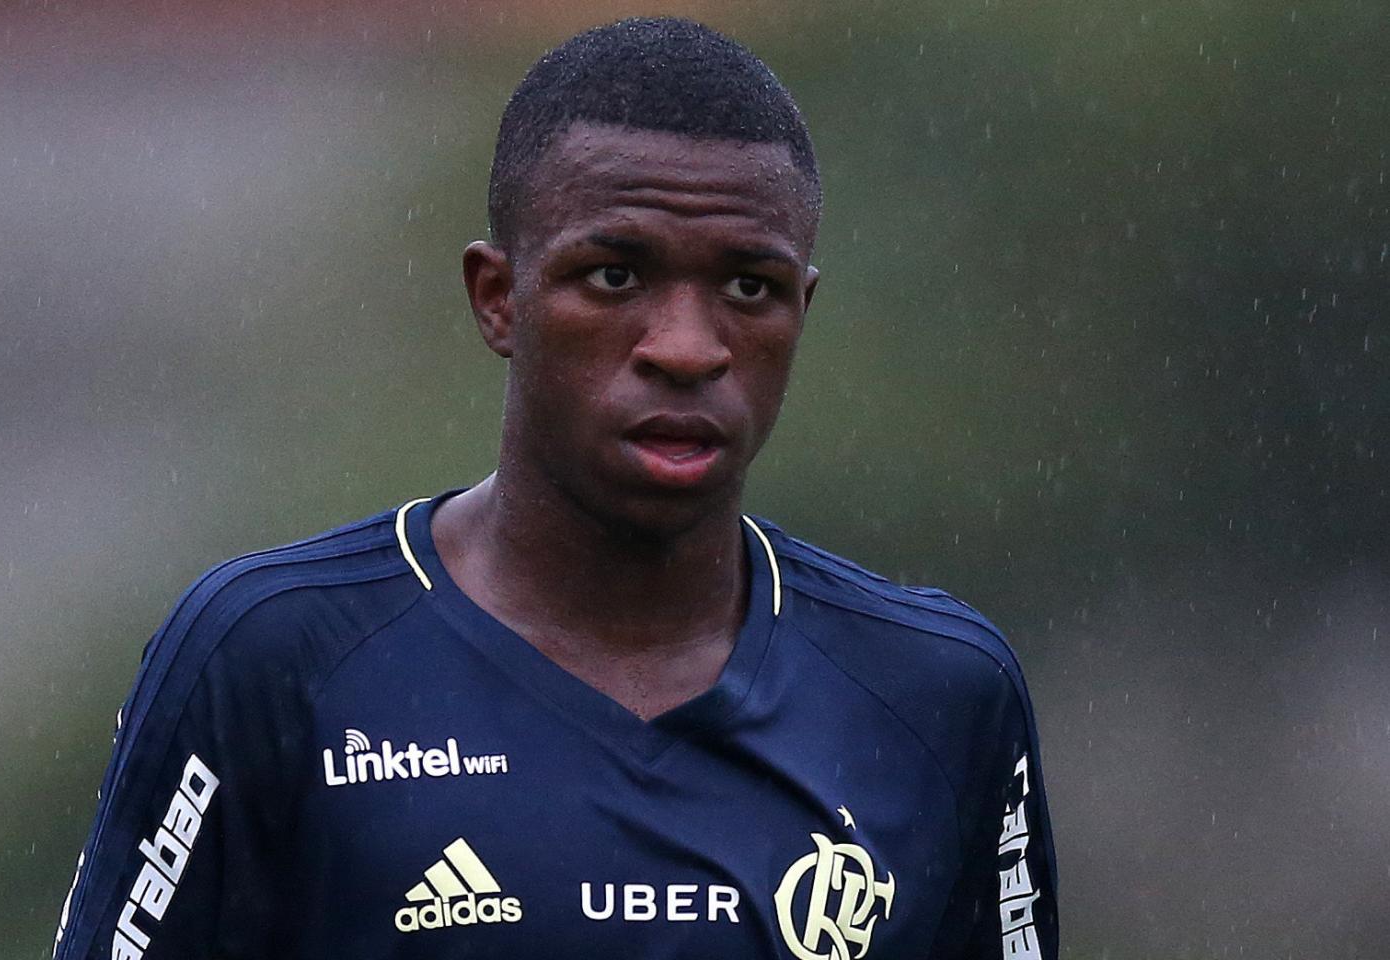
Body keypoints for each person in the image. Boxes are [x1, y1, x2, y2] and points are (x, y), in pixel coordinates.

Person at [52, 16, 1057, 960]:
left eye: (747, 287)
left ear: (801, 308)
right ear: (499, 298)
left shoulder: (934, 695)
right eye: (614, 277)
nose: (684, 347)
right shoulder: (272, 658)